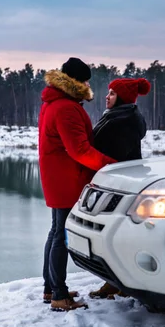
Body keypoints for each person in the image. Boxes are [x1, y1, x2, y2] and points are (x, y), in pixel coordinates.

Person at [38, 57, 117, 312]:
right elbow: (80, 150)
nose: (86, 84)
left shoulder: (53, 103)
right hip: (67, 178)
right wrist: (110, 164)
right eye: (84, 80)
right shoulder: (66, 108)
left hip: (57, 177)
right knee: (60, 234)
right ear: (76, 81)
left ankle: (51, 288)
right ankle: (59, 296)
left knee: (55, 232)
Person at [88, 77, 151, 300]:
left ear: (122, 98)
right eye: (109, 92)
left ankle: (119, 282)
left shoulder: (125, 120)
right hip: (116, 184)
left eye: (113, 93)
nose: (107, 96)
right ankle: (115, 282)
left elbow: (113, 154)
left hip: (120, 186)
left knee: (115, 236)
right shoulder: (119, 116)